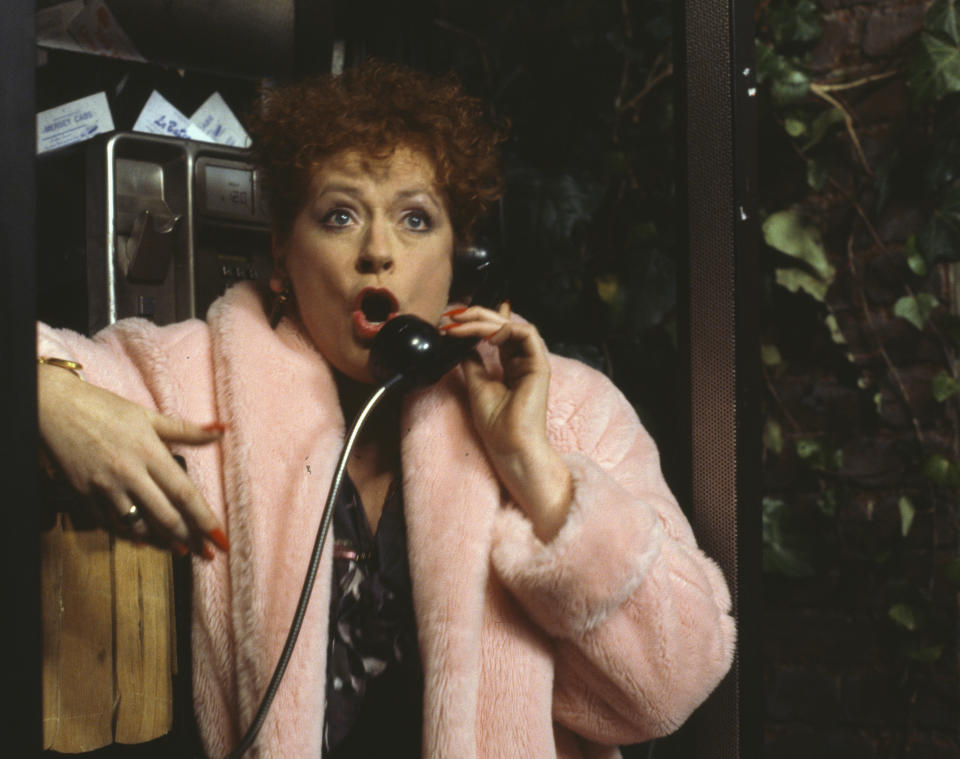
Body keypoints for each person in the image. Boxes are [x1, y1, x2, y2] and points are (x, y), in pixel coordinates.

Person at [37, 60, 735, 758]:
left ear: (460, 254)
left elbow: (672, 685)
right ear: (282, 250)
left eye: (415, 219)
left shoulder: (568, 411)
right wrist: (52, 397)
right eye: (339, 216)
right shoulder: (195, 376)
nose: (378, 252)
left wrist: (534, 471)